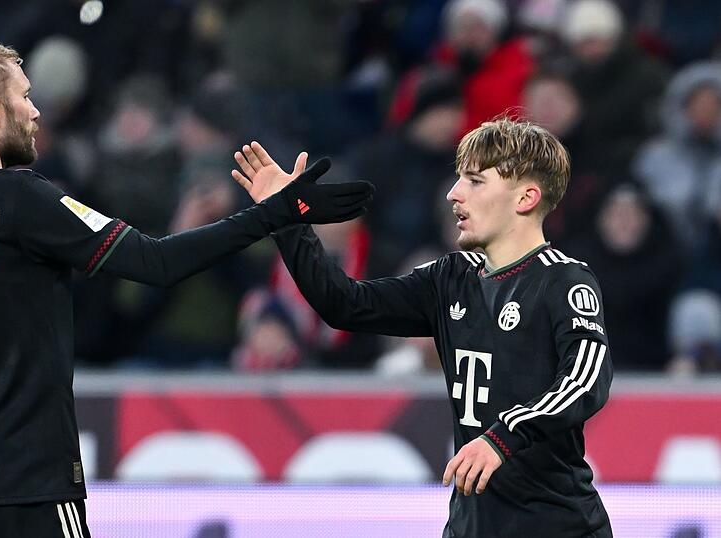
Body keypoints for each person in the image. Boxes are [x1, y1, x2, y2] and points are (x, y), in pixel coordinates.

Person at [0, 39, 372, 538]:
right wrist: (273, 215)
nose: (35, 112)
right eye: (24, 97)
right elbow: (157, 261)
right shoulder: (24, 199)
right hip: (24, 485)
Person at [231, 122, 614, 537]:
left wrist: (503, 436)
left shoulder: (564, 280)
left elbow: (585, 379)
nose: (454, 193)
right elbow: (344, 304)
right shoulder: (449, 278)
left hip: (557, 527)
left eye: (475, 181)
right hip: (471, 527)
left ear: (525, 198)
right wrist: (288, 219)